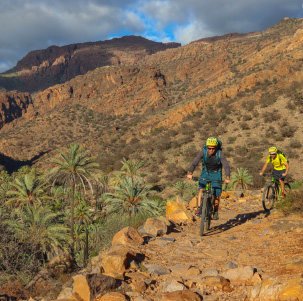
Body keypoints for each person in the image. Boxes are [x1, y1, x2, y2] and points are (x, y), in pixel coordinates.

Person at [187, 137, 230, 220]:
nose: (211, 150)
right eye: (209, 148)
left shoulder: (220, 153)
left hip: (216, 173)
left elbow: (226, 165)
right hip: (205, 172)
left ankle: (215, 211)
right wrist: (190, 173)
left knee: (216, 194)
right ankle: (199, 208)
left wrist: (227, 177)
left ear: (216, 147)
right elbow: (194, 162)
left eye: (213, 148)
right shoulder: (204, 152)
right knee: (201, 190)